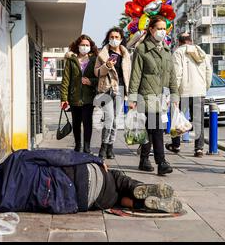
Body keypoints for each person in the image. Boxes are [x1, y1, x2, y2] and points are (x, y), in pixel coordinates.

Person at [0, 149, 182, 214]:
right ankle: (137, 189)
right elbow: (60, 157)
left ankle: (141, 203)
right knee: (116, 177)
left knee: (113, 199)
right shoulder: (17, 160)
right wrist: (94, 158)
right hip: (81, 177)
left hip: (79, 202)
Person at [128, 15, 179, 175]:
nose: (162, 32)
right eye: (159, 28)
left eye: (164, 29)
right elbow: (135, 75)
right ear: (151, 29)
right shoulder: (141, 49)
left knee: (150, 130)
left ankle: (144, 160)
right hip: (146, 95)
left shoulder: (166, 50)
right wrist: (132, 98)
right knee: (157, 128)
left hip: (162, 97)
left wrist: (175, 95)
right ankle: (161, 162)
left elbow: (171, 74)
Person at [165, 32, 212, 157]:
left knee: (176, 118)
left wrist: (174, 93)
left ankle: (176, 145)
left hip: (183, 92)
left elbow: (177, 74)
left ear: (179, 42)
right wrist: (205, 88)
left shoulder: (178, 52)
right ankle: (199, 149)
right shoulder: (201, 52)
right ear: (190, 41)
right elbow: (209, 72)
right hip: (199, 91)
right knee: (199, 121)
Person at [94, 28, 131, 159]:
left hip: (121, 90)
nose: (114, 39)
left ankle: (110, 146)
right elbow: (97, 72)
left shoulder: (126, 54)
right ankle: (103, 147)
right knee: (109, 118)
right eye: (111, 37)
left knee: (115, 120)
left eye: (117, 36)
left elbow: (128, 75)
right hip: (107, 90)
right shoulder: (102, 54)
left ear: (121, 38)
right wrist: (107, 66)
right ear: (108, 38)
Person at [60, 35, 99, 153]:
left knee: (87, 123)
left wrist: (90, 81)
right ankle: (78, 145)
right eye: (83, 45)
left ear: (90, 47)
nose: (85, 47)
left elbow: (100, 78)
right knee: (76, 123)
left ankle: (87, 147)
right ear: (78, 45)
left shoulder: (95, 60)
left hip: (88, 97)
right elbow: (65, 80)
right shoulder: (71, 60)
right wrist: (63, 98)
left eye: (87, 45)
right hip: (74, 97)